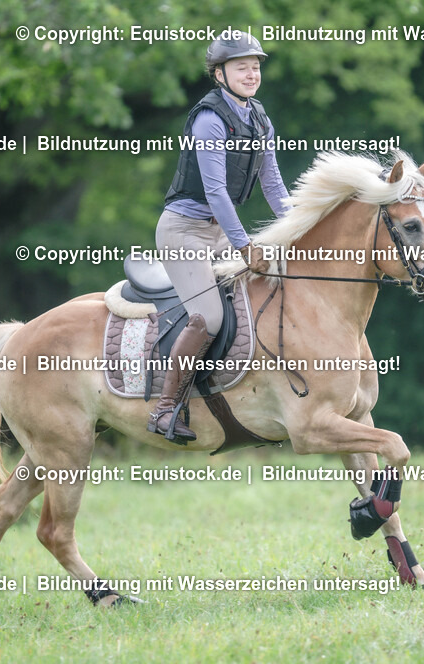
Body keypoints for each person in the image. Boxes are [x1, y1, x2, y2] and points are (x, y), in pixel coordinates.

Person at [148, 32, 290, 442]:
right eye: (241, 67)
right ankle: (165, 409)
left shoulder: (259, 119)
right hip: (184, 232)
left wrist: (301, 230)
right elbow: (216, 193)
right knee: (208, 317)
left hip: (220, 232)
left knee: (273, 286)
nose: (251, 74)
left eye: (256, 67)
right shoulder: (209, 119)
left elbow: (274, 185)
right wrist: (245, 245)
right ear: (219, 74)